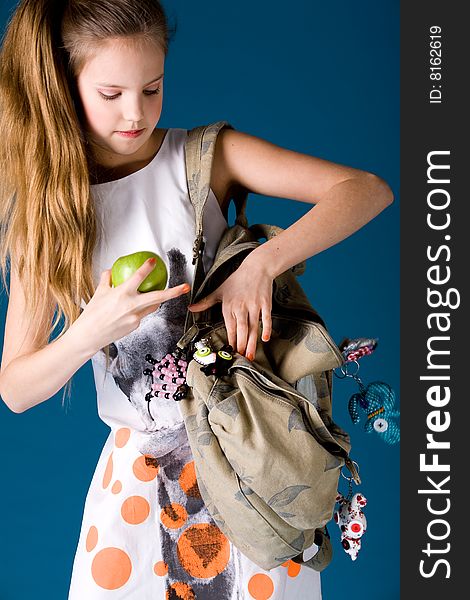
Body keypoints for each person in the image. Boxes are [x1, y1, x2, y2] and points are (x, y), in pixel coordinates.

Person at [0, 0, 393, 598]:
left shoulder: (201, 160)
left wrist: (262, 263)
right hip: (139, 480)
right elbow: (16, 389)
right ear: (64, 83)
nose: (136, 113)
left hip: (251, 462)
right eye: (111, 94)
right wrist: (90, 329)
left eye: (152, 88)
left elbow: (364, 190)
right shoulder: (54, 208)